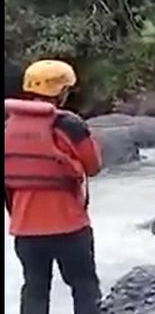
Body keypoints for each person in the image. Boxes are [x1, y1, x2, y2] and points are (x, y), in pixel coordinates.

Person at [4, 59, 103, 314]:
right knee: (84, 287)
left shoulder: (8, 127)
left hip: (25, 230)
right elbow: (93, 166)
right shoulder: (69, 125)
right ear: (61, 92)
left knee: (35, 290)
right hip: (70, 227)